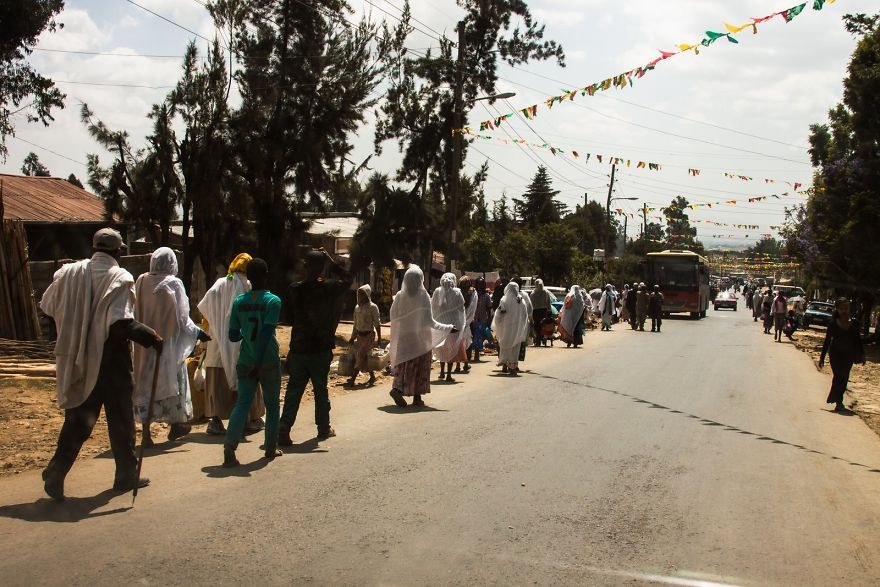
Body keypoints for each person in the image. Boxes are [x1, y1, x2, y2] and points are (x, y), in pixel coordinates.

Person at [40, 228, 162, 501]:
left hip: (79, 357)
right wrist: (150, 336)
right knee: (120, 419)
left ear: (94, 247)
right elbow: (120, 324)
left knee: (78, 421)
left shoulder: (68, 274)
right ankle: (125, 475)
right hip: (112, 361)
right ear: (119, 251)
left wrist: (73, 326)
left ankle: (56, 472)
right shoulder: (119, 277)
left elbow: (47, 306)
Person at [133, 247, 209, 448]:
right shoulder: (174, 284)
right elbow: (183, 320)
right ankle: (176, 424)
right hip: (168, 347)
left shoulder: (141, 281)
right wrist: (199, 333)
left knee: (146, 385)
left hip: (143, 344)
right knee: (173, 384)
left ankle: (146, 434)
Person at [279, 250, 353, 445]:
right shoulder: (329, 287)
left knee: (294, 390)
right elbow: (348, 279)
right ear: (323, 268)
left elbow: (288, 317)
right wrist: (332, 262)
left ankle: (284, 428)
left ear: (305, 266)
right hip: (320, 348)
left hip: (299, 348)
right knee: (321, 390)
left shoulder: (295, 289)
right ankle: (323, 428)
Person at [222, 259, 283, 467]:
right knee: (272, 404)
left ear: (248, 278)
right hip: (267, 360)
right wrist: (258, 360)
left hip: (245, 359)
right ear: (266, 275)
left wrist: (245, 334)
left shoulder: (239, 301)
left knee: (243, 403)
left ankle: (229, 447)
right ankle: (270, 447)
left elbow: (232, 335)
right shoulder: (273, 301)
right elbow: (266, 334)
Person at [197, 253, 266, 436]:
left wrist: (217, 325)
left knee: (218, 385)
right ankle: (250, 419)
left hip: (217, 343)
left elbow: (204, 307)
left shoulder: (219, 283)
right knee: (245, 379)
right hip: (242, 342)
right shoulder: (249, 285)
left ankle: (216, 422)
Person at [388, 265, 455, 407]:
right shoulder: (423, 296)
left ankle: (397, 390)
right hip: (421, 340)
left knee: (403, 366)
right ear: (420, 280)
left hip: (404, 339)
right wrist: (448, 328)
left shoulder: (400, 296)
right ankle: (417, 398)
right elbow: (429, 321)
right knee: (420, 368)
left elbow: (394, 316)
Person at [819, 298, 866, 412]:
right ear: (837, 310)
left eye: (846, 308)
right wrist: (822, 358)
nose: (844, 311)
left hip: (848, 355)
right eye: (842, 309)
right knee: (838, 376)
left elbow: (858, 340)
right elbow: (827, 341)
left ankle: (837, 399)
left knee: (844, 378)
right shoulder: (833, 324)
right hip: (835, 355)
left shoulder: (854, 323)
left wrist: (862, 355)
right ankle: (839, 402)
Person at [431, 273, 467, 381]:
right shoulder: (457, 292)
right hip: (454, 325)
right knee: (451, 349)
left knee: (442, 348)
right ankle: (449, 375)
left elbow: (433, 307)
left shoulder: (437, 291)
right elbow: (461, 307)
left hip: (440, 325)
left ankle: (442, 372)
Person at [348, 285, 382, 387]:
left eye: (363, 293)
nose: (361, 295)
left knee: (360, 354)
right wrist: (352, 337)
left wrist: (379, 338)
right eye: (360, 293)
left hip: (369, 335)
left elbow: (377, 323)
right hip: (359, 335)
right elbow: (355, 324)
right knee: (365, 357)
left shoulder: (373, 307)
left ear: (367, 294)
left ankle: (353, 378)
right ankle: (372, 376)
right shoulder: (357, 307)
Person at [492, 282, 529, 374]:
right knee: (515, 347)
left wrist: (497, 324)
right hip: (517, 329)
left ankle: (505, 364)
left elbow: (499, 314)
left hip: (506, 328)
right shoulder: (521, 301)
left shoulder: (504, 300)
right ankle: (512, 367)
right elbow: (525, 316)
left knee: (505, 345)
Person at [511, 276, 533, 363]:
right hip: (522, 323)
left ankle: (508, 362)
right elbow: (530, 309)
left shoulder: (508, 294)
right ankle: (515, 363)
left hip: (510, 324)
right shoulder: (524, 295)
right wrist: (531, 320)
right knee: (520, 342)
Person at [470, 277, 493, 361]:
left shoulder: (486, 296)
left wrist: (489, 321)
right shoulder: (473, 294)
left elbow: (489, 309)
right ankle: (473, 354)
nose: (479, 286)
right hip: (473, 319)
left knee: (479, 337)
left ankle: (477, 353)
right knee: (474, 337)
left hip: (482, 320)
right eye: (478, 284)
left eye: (481, 284)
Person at [458, 276, 477, 372]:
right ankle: (465, 363)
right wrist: (468, 320)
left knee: (457, 342)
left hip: (458, 321)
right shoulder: (473, 292)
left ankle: (457, 365)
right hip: (469, 321)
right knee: (467, 342)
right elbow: (473, 307)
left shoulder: (457, 292)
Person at [530, 279, 552, 346]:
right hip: (543, 311)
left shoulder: (533, 293)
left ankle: (538, 340)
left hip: (535, 311)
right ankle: (543, 339)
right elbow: (548, 302)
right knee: (543, 325)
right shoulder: (545, 292)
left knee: (537, 325)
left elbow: (531, 304)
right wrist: (549, 310)